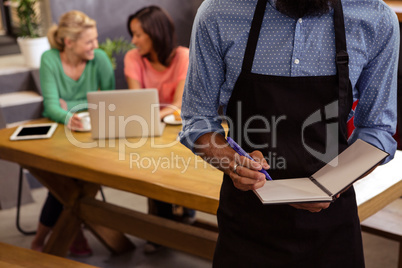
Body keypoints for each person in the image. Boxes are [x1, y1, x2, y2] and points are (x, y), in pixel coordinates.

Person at [179, 0, 399, 267]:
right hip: (247, 224)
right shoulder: (218, 13)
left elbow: (377, 130)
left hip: (332, 226)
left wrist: (333, 183)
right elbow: (197, 120)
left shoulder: (376, 19)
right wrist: (231, 161)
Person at [31, 10, 115, 256]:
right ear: (69, 42)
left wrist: (68, 107)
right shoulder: (50, 59)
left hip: (94, 133)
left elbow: (110, 102)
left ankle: (57, 237)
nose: (96, 45)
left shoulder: (99, 58)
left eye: (95, 39)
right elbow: (51, 106)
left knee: (74, 184)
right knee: (64, 182)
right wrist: (68, 116)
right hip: (60, 135)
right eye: (89, 41)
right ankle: (54, 237)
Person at [124, 5, 195, 254]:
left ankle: (179, 217)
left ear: (155, 32)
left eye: (138, 34)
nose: (134, 41)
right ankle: (160, 227)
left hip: (178, 131)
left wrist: (149, 115)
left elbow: (179, 104)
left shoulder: (184, 56)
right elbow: (136, 103)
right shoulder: (133, 58)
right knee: (151, 166)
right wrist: (147, 116)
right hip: (150, 134)